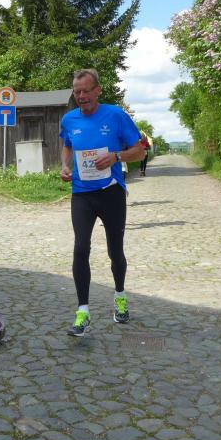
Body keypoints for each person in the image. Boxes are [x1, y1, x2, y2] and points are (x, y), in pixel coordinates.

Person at [60, 69, 144, 336]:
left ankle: (120, 296)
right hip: (82, 193)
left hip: (111, 193)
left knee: (115, 251)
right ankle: (82, 311)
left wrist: (116, 157)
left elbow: (139, 151)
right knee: (80, 248)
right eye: (77, 92)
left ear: (98, 91)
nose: (81, 96)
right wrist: (65, 166)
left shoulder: (116, 115)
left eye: (86, 91)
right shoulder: (68, 119)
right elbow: (67, 145)